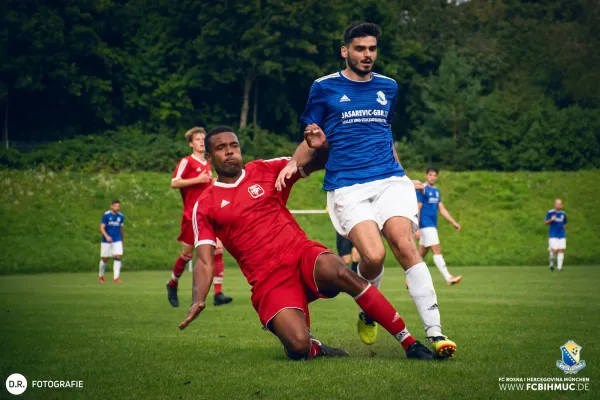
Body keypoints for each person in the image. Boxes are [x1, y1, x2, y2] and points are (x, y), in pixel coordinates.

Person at [275, 22, 456, 358]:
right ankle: (368, 304)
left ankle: (436, 333)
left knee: (405, 246)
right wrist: (293, 164)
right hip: (347, 185)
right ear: (345, 51)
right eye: (360, 49)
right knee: (373, 256)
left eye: (372, 49)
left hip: (390, 180)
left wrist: (405, 175)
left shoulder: (389, 86)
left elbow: (384, 135)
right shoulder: (324, 87)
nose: (367, 55)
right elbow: (312, 138)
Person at [178, 126, 437, 361]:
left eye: (233, 145)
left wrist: (320, 145)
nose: (230, 152)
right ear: (210, 158)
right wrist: (197, 298)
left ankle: (409, 342)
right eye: (221, 148)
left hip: (301, 254)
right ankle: (314, 346)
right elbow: (203, 259)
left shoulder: (265, 170)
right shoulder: (206, 204)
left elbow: (317, 162)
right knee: (298, 347)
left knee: (340, 272)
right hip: (268, 280)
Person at [166, 127, 232, 307]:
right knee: (187, 255)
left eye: (203, 138)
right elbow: (174, 183)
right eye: (197, 139)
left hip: (211, 215)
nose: (201, 141)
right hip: (192, 216)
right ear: (191, 143)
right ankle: (172, 283)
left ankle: (218, 294)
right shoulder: (187, 162)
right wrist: (198, 180)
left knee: (218, 251)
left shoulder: (210, 163)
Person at [414, 167, 462, 286]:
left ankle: (411, 279)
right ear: (426, 175)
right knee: (437, 249)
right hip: (425, 225)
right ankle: (448, 277)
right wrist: (417, 227)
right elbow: (417, 208)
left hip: (432, 225)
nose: (432, 177)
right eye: (430, 175)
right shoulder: (422, 189)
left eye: (435, 175)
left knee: (420, 254)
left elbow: (442, 209)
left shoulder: (436, 191)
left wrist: (453, 222)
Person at [99, 200, 124, 283]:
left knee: (117, 256)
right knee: (105, 259)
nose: (117, 207)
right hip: (106, 240)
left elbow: (121, 229)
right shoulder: (106, 215)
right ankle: (101, 276)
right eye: (115, 206)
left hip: (117, 239)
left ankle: (116, 278)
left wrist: (122, 240)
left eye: (118, 206)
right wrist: (106, 236)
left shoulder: (121, 216)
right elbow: (102, 227)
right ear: (111, 206)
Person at [545, 199, 567, 271]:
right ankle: (551, 264)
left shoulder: (563, 213)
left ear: (561, 205)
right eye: (557, 204)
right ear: (554, 204)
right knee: (554, 251)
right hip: (553, 235)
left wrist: (564, 230)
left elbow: (564, 223)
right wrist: (551, 220)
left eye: (559, 204)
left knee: (561, 250)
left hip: (561, 235)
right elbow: (545, 222)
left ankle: (559, 267)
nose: (558, 205)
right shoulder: (550, 212)